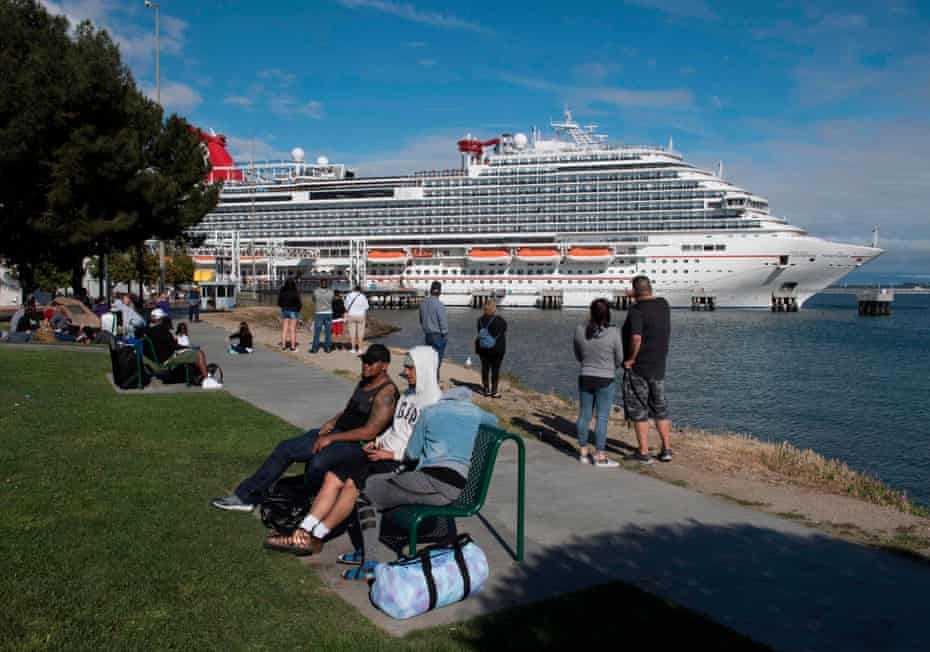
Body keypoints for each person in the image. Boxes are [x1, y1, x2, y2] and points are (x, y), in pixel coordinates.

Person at [262, 346, 442, 566]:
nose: (405, 372)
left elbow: (427, 450)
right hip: (380, 453)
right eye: (405, 366)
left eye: (410, 367)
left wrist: (390, 453)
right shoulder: (408, 395)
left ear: (424, 368)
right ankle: (303, 529)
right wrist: (377, 442)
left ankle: (316, 537)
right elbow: (395, 431)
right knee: (332, 477)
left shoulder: (434, 405)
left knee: (351, 485)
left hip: (400, 463)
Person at [210, 344, 399, 512]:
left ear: (384, 366)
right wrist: (332, 422)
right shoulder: (364, 381)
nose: (366, 365)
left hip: (358, 445)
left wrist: (331, 439)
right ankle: (247, 496)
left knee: (319, 461)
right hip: (337, 433)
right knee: (286, 448)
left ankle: (310, 500)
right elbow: (351, 409)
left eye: (371, 362)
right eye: (365, 360)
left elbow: (370, 431)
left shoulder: (386, 394)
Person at [347, 386, 497, 578]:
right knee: (381, 484)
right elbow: (495, 421)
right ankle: (366, 553)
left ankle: (368, 563)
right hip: (456, 484)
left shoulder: (430, 412)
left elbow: (411, 454)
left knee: (367, 491)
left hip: (433, 482)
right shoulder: (475, 413)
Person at [621, 276, 672, 464]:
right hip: (659, 366)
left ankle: (643, 452)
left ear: (634, 291)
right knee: (660, 408)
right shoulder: (663, 304)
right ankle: (666, 449)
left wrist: (631, 359)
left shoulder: (636, 311)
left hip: (639, 368)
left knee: (639, 410)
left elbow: (636, 338)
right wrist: (636, 295)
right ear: (650, 288)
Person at [573, 298, 623, 468]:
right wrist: (610, 367)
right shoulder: (614, 332)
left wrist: (587, 363)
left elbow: (578, 354)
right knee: (601, 417)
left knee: (584, 415)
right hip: (605, 378)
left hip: (585, 376)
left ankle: (583, 453)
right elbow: (619, 358)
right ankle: (600, 455)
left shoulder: (580, 330)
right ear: (608, 314)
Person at [145, 308, 222, 389]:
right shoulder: (163, 330)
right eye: (164, 318)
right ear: (160, 319)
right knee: (199, 353)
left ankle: (204, 374)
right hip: (167, 360)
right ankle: (207, 380)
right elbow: (174, 346)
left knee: (191, 353)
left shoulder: (147, 331)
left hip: (157, 360)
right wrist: (188, 347)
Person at [475, 300, 507, 398]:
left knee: (485, 368)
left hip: (483, 348)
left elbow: (479, 331)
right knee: (495, 369)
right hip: (497, 349)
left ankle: (486, 389)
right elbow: (504, 329)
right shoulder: (499, 320)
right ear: (494, 308)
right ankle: (494, 391)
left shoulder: (479, 320)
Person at [419, 280, 448, 371]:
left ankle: (428, 380)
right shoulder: (439, 305)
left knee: (429, 360)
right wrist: (445, 333)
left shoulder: (423, 303)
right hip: (438, 335)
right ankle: (435, 382)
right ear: (440, 291)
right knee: (436, 362)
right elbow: (442, 321)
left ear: (431, 290)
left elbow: (421, 319)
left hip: (427, 335)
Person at [277, 277, 302, 352]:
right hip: (293, 311)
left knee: (284, 329)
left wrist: (283, 306)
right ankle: (293, 347)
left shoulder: (282, 291)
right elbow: (299, 303)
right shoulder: (295, 292)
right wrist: (298, 309)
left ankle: (283, 347)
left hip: (284, 310)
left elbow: (279, 302)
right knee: (292, 330)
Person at [344, 284, 370, 354]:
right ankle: (360, 349)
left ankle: (353, 349)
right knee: (360, 334)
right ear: (360, 290)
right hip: (361, 315)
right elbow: (366, 307)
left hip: (351, 315)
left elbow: (346, 306)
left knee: (352, 333)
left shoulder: (348, 295)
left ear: (354, 289)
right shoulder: (363, 296)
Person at [311, 278, 334, 353]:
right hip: (328, 312)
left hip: (319, 312)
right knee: (328, 332)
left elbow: (314, 300)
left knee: (317, 332)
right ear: (327, 283)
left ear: (320, 283)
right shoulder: (331, 292)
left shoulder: (316, 291)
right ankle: (327, 348)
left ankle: (315, 348)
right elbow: (332, 301)